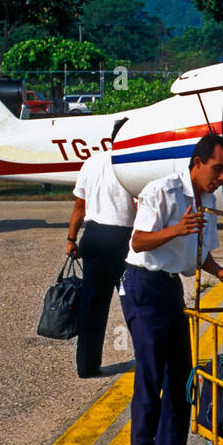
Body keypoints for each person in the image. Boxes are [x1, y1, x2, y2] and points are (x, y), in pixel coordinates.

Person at [120, 133, 223, 445]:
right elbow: (139, 240)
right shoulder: (162, 191)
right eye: (218, 169)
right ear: (199, 161)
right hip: (143, 284)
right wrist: (175, 230)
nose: (221, 178)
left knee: (181, 374)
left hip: (170, 287)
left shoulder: (206, 199)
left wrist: (219, 272)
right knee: (151, 376)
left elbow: (199, 250)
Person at [66, 146, 135, 378]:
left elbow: (79, 206)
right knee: (134, 302)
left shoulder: (91, 163)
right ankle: (147, 358)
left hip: (93, 238)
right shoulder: (131, 164)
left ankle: (86, 366)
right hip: (123, 240)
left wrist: (71, 239)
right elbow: (138, 206)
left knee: (92, 306)